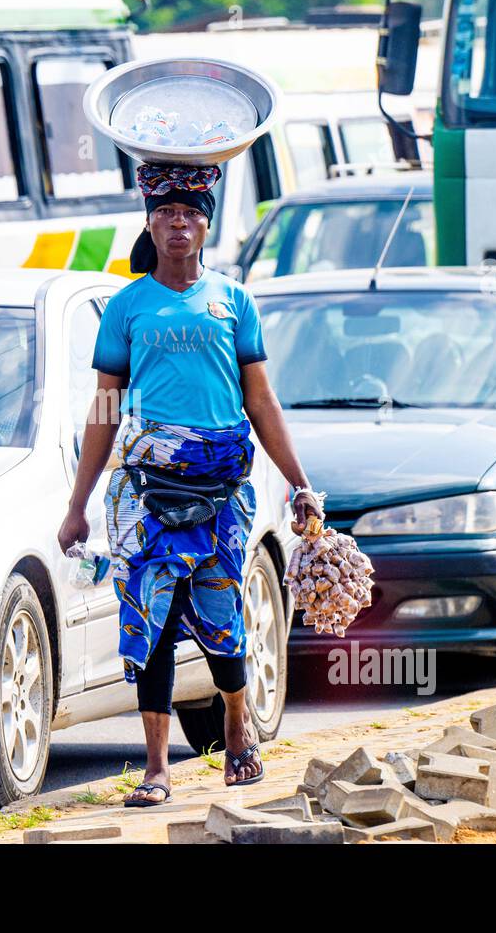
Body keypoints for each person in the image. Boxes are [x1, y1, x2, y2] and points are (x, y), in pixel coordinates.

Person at [56, 162, 323, 807]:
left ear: (205, 225)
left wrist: (300, 484)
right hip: (147, 494)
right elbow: (104, 411)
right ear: (150, 222)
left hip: (223, 495)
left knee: (223, 616)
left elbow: (261, 402)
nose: (179, 225)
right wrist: (78, 504)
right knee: (150, 620)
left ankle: (237, 726)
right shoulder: (126, 307)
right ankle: (155, 767)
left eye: (191, 214)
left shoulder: (233, 301)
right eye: (167, 214)